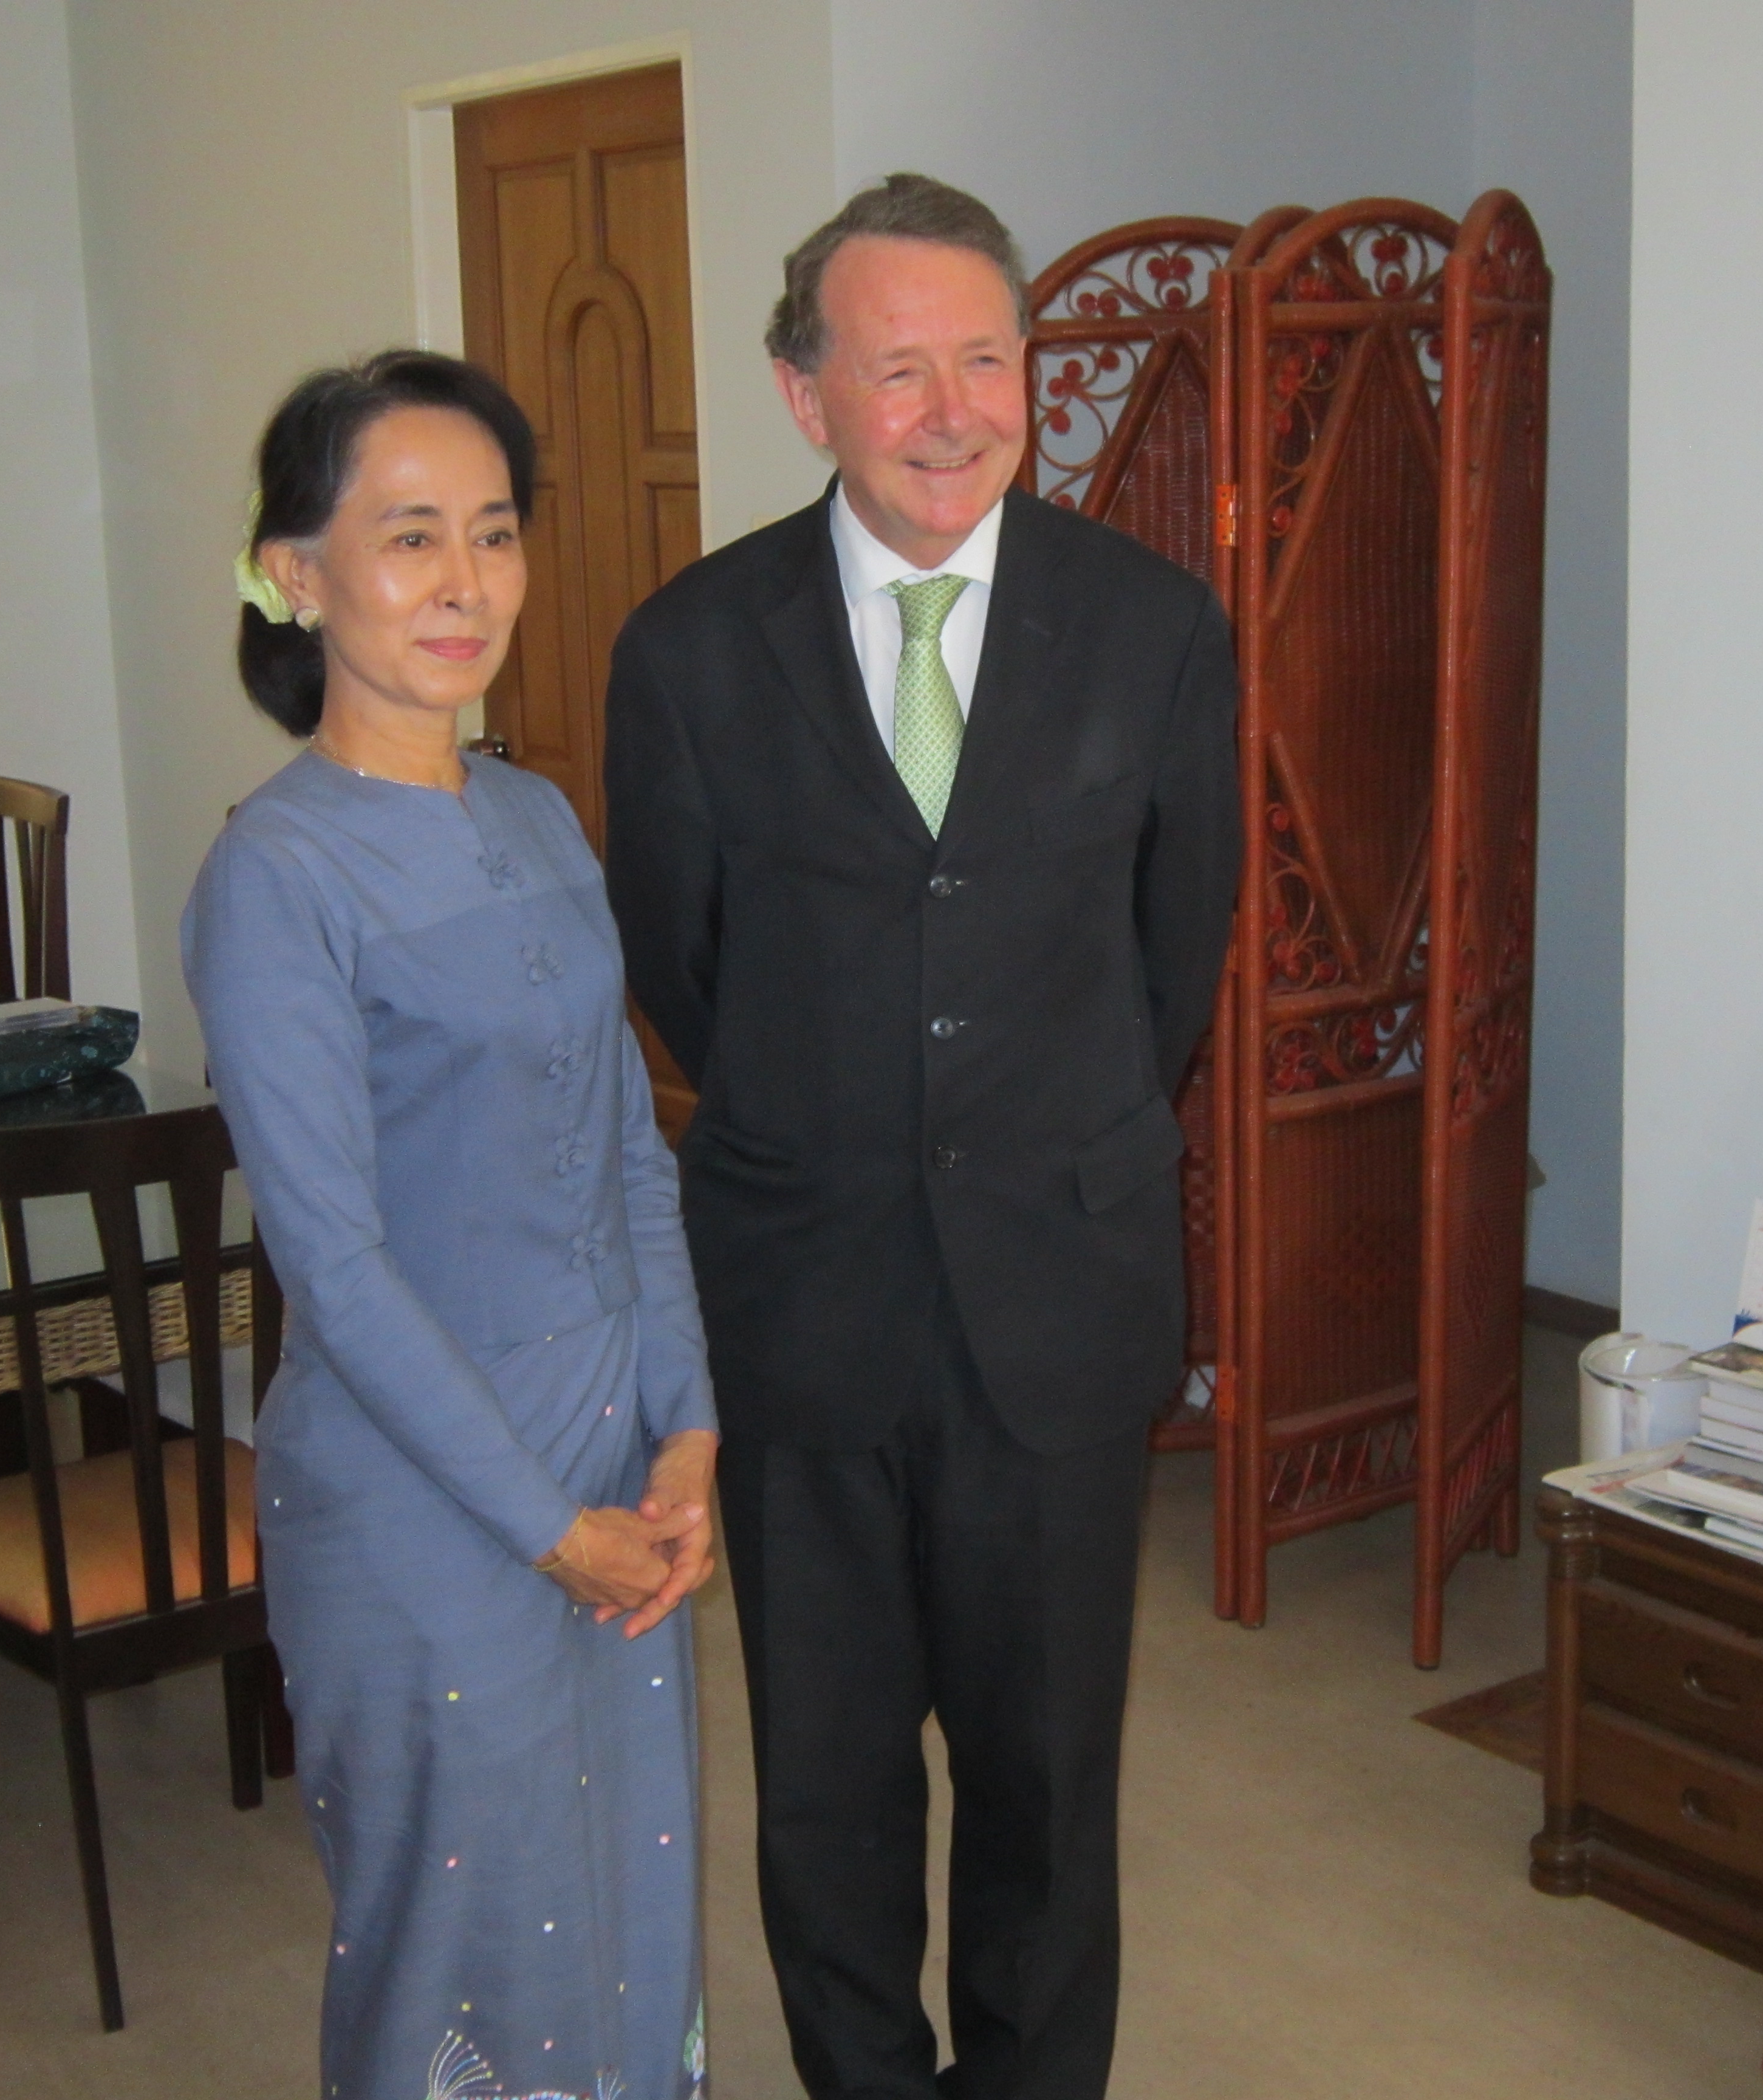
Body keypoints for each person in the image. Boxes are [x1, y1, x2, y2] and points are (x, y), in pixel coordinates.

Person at [603, 176, 1242, 2100]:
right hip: (805, 1304)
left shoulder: (1154, 629)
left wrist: (1020, 1135)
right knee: (831, 1798)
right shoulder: (695, 648)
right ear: (808, 396)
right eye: (900, 369)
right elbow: (681, 971)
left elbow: (1173, 969)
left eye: (988, 359)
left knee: (1052, 1792)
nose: (954, 408)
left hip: (1061, 1294)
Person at [184, 350, 717, 2100]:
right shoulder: (277, 876)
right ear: (295, 572)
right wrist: (545, 1525)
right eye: (409, 537)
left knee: (624, 1917)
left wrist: (691, 1426)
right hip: (426, 1508)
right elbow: (331, 1264)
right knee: (462, 1946)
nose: (465, 584)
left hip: (616, 1470)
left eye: (494, 535)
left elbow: (632, 1144)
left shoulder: (539, 810)